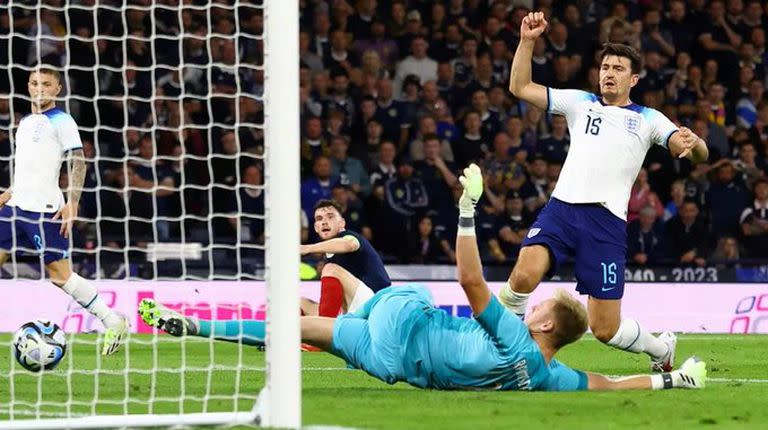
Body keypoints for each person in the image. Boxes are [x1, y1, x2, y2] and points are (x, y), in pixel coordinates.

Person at [137, 164, 707, 392]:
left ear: (544, 321)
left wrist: (467, 208)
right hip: (390, 364)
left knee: (315, 302)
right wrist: (672, 381)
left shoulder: (512, 335)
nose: (529, 306)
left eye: (537, 307)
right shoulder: (544, 377)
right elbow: (607, 386)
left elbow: (470, 280)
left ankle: (197, 326)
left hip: (398, 315)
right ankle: (198, 326)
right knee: (298, 329)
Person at [500, 12, 709, 372]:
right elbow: (520, 88)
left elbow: (693, 152)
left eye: (617, 68)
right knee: (523, 275)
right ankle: (502, 345)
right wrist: (527, 41)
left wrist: (697, 141)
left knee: (604, 328)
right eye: (605, 67)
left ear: (634, 78)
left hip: (606, 223)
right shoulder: (581, 103)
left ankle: (660, 350)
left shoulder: (649, 118)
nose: (608, 73)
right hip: (562, 211)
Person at [0, 67, 128, 355]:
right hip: (16, 206)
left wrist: (72, 201)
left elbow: (78, 161)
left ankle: (113, 320)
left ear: (57, 89)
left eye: (46, 84)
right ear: (28, 86)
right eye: (34, 83)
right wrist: (7, 195)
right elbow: (27, 171)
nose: (40, 88)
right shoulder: (25, 123)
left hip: (45, 211)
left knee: (60, 276)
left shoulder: (62, 120)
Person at [299, 199, 391, 318]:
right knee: (300, 303)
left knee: (330, 269)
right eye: (319, 219)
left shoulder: (349, 236)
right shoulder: (328, 252)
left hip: (376, 303)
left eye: (330, 217)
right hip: (353, 308)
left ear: (342, 223)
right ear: (316, 227)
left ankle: (327, 325)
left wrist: (307, 248)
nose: (324, 222)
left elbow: (348, 244)